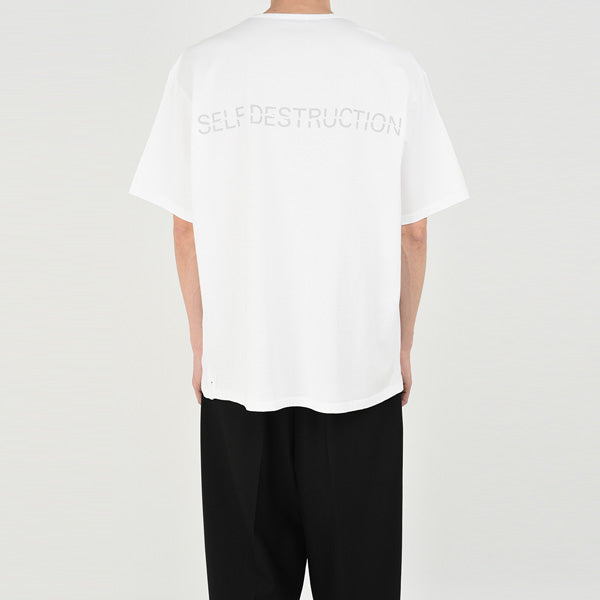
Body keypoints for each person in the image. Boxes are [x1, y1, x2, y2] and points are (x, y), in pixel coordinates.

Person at [129, 1, 469, 598]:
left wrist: (204, 344)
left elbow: (186, 228)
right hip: (358, 382)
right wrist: (401, 343)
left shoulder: (202, 67)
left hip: (241, 384)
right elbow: (413, 231)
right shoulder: (393, 69)